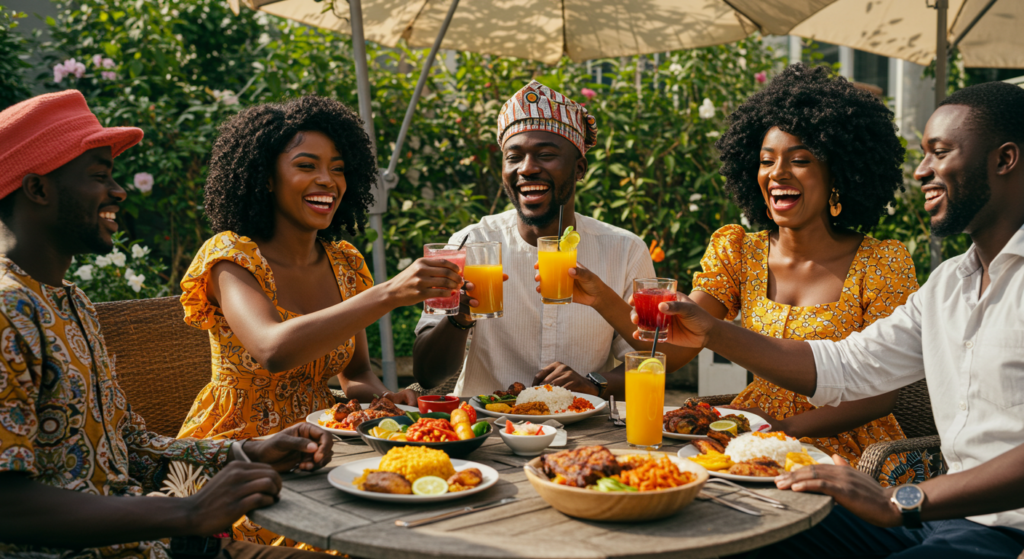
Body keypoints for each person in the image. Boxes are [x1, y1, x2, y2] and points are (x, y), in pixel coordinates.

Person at [653, 81, 1024, 557]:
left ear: (1005, 159)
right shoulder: (950, 283)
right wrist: (715, 331)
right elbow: (846, 367)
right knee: (734, 533)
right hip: (937, 517)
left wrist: (901, 499)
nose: (921, 170)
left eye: (940, 153)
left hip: (1002, 531)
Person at [0, 90, 335, 558]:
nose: (117, 191)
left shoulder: (69, 302)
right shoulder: (8, 311)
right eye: (99, 176)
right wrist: (188, 512)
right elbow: (8, 506)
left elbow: (130, 446)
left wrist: (246, 451)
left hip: (155, 544)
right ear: (37, 189)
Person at [575, 64, 923, 484]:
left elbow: (879, 395)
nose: (777, 173)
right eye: (766, 161)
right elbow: (677, 349)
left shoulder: (881, 263)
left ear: (838, 175)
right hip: (752, 432)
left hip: (845, 447)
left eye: (800, 160)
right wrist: (600, 297)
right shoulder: (739, 251)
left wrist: (781, 432)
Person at [176, 96, 461, 544]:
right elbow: (272, 349)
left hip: (322, 448)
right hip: (240, 460)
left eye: (339, 168)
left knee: (430, 517)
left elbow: (357, 374)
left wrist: (388, 403)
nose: (327, 180)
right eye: (306, 165)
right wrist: (387, 293)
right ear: (266, 178)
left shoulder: (344, 262)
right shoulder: (230, 257)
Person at [412, 81, 658, 399]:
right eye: (513, 157)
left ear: (579, 168)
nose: (527, 169)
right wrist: (458, 319)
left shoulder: (624, 251)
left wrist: (594, 384)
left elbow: (649, 359)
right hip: (485, 432)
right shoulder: (468, 244)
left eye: (545, 155)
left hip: (583, 432)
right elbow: (427, 375)